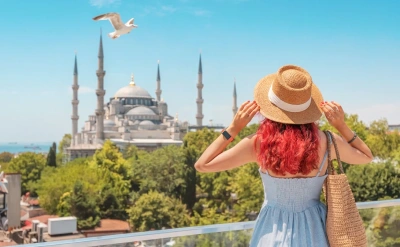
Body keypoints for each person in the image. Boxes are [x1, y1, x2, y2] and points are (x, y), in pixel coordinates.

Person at [194, 65, 373, 247]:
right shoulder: (327, 141)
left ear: (270, 106)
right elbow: (366, 156)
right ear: (308, 108)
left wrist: (233, 128)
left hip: (271, 230)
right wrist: (341, 125)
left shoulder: (258, 143)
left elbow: (203, 165)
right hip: (315, 229)